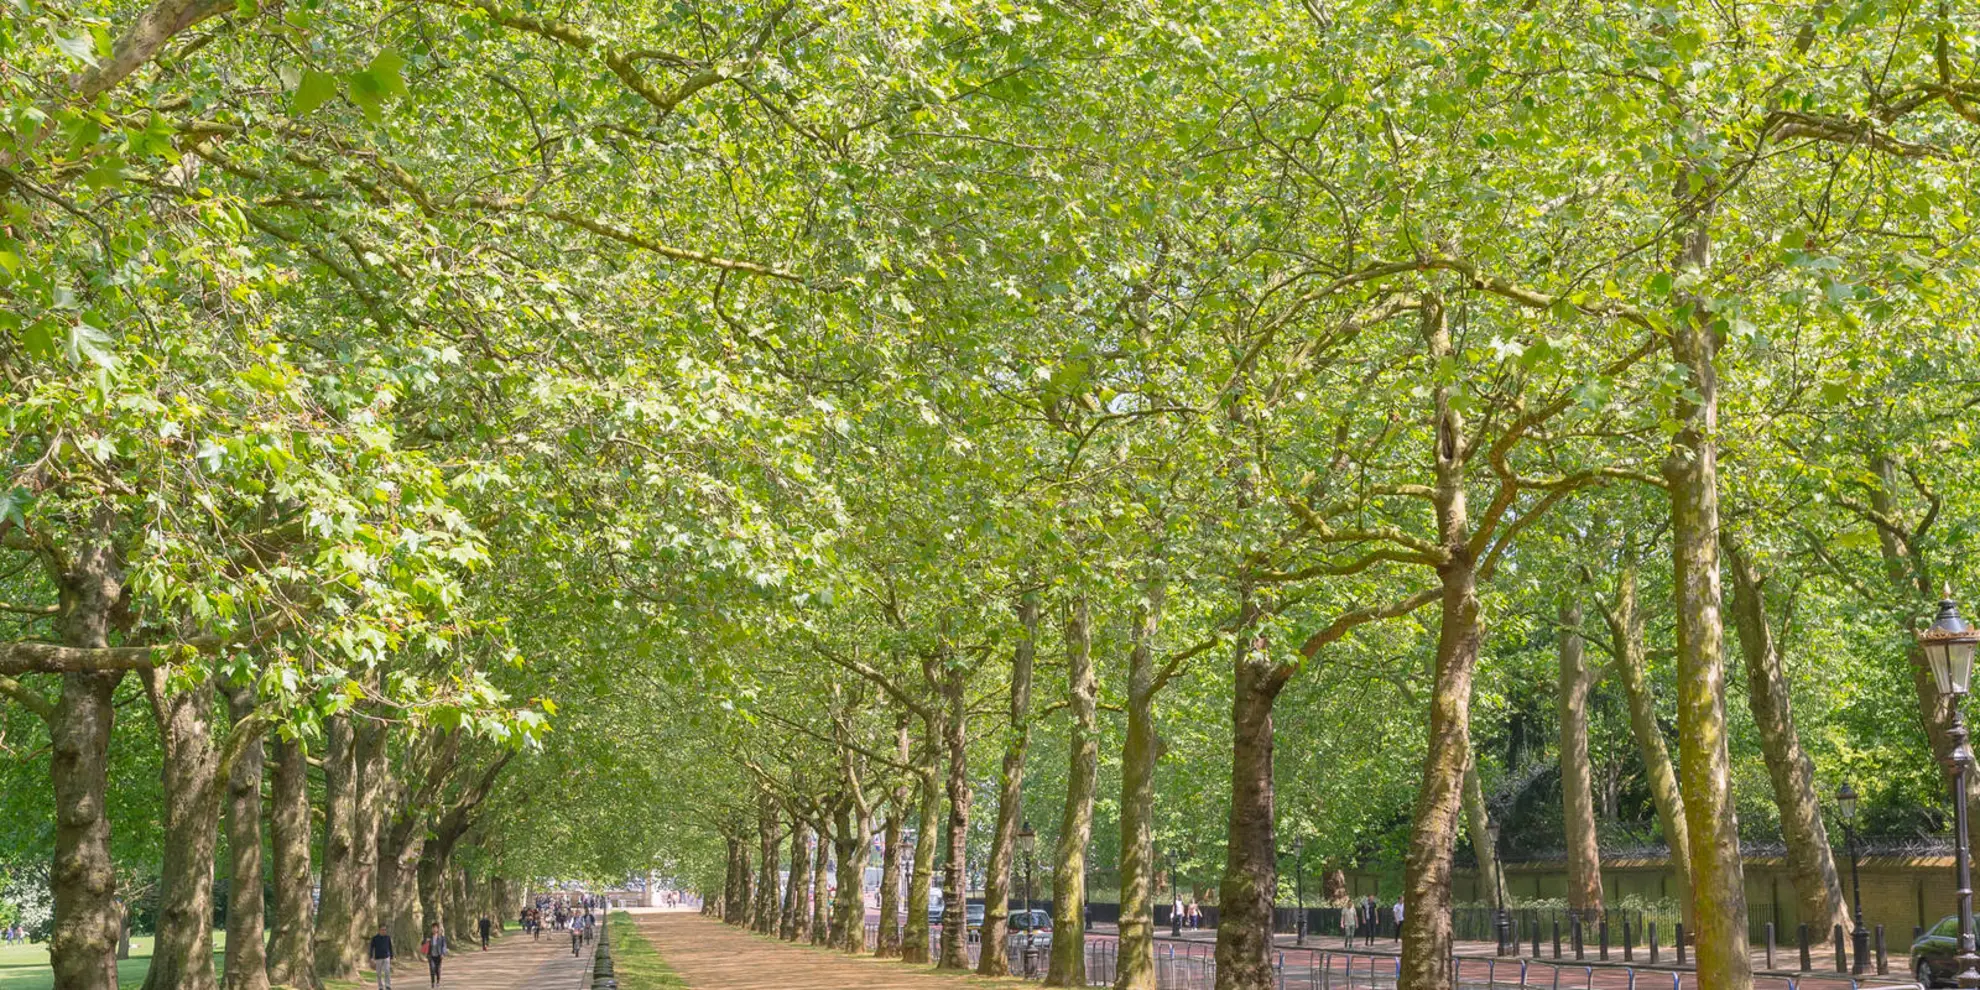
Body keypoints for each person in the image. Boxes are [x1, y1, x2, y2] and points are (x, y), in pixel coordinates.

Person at [421, 922, 448, 987]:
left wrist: (443, 954)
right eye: (433, 928)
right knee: (432, 969)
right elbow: (422, 943)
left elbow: (444, 946)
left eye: (435, 928)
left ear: (438, 929)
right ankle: (432, 982)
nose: (434, 929)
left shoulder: (441, 937)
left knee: (438, 970)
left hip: (439, 956)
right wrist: (425, 940)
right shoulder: (429, 937)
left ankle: (438, 981)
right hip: (431, 956)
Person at [369, 924, 395, 990]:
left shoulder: (387, 937)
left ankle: (388, 986)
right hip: (378, 958)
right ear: (379, 930)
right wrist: (371, 957)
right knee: (379, 973)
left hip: (386, 957)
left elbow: (390, 947)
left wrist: (391, 957)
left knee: (387, 972)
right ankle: (380, 987)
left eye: (385, 930)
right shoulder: (375, 938)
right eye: (382, 930)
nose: (384, 931)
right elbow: (371, 948)